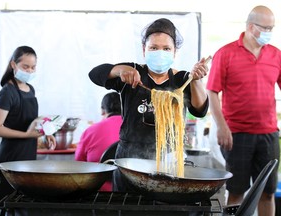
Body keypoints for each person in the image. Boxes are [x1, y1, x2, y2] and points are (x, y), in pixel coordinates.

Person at [89, 18, 209, 191]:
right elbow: (95, 74)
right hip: (130, 159)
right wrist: (120, 70)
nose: (160, 52)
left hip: (169, 160)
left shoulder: (182, 79)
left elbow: (200, 110)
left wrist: (196, 81)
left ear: (174, 52)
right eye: (153, 47)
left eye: (166, 48)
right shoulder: (133, 73)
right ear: (144, 50)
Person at [206, 5, 280, 216]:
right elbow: (212, 91)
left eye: (272, 28)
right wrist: (221, 126)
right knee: (237, 193)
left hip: (268, 134)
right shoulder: (226, 53)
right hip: (236, 135)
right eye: (265, 28)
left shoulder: (276, 55)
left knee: (267, 193)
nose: (269, 33)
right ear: (250, 26)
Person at [0, 46, 56, 204]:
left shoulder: (30, 89)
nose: (29, 71)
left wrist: (46, 132)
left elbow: (31, 120)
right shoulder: (7, 92)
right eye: (25, 67)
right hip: (11, 156)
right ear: (14, 65)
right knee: (9, 201)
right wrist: (26, 135)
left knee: (24, 200)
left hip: (28, 154)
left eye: (33, 67)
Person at [75, 91, 122, 191]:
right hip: (129, 190)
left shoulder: (90, 131)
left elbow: (79, 165)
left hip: (98, 191)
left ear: (102, 111)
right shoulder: (134, 129)